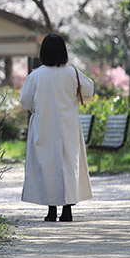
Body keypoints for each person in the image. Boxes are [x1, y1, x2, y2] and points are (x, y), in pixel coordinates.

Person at [19, 34, 95, 222]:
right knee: (68, 166)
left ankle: (51, 210)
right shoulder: (73, 73)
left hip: (44, 126)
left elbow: (25, 101)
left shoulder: (36, 75)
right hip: (67, 127)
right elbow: (89, 91)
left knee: (47, 166)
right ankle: (68, 209)